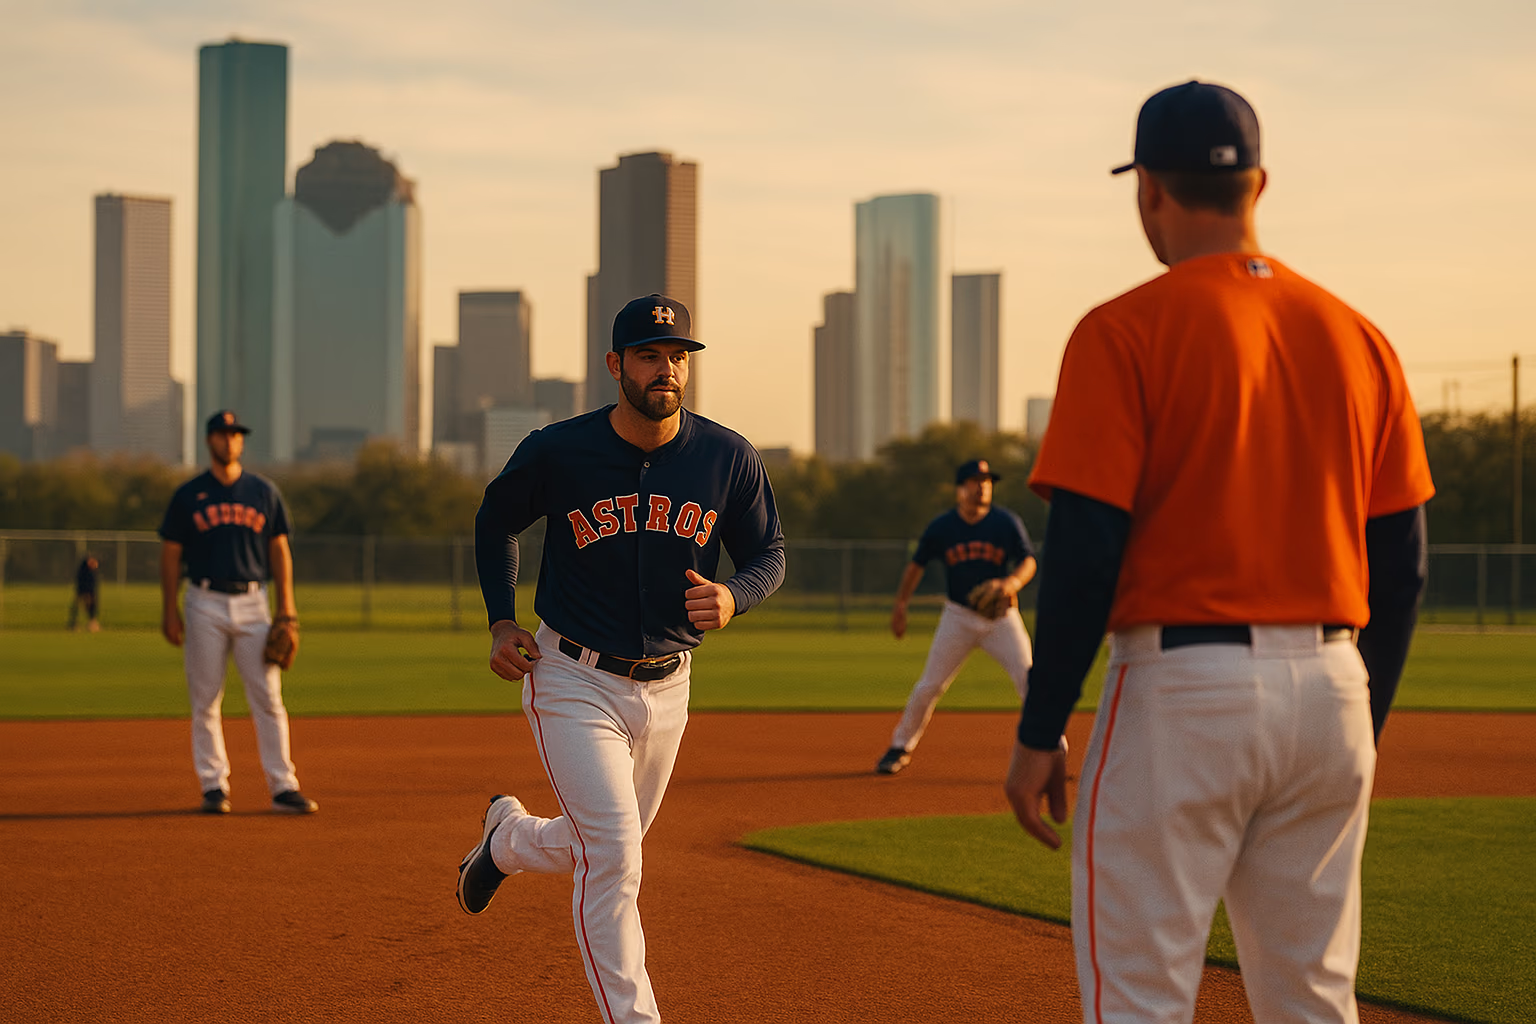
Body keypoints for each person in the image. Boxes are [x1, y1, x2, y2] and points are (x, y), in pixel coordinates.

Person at [1003, 80, 1433, 1023]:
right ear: (1259, 187)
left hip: (1183, 692)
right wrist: (1360, 716)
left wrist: (1041, 732)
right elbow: (1401, 565)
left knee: (1142, 1001)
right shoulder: (1361, 337)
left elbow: (1086, 552)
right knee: (1314, 999)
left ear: (1150, 189)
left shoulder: (1123, 328)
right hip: (1333, 687)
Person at [459, 293, 786, 1024]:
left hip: (671, 686)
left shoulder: (726, 456)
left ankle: (507, 840)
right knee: (615, 859)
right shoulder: (559, 449)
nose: (665, 368)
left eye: (677, 357)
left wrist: (736, 595)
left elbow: (768, 553)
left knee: (601, 845)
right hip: (572, 677)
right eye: (648, 355)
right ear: (616, 365)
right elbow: (495, 521)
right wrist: (500, 619)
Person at [158, 410, 318, 816]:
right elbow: (171, 554)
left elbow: (279, 550)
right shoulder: (188, 495)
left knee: (268, 697)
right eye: (223, 434)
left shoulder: (263, 492)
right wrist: (169, 609)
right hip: (203, 601)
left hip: (253, 602)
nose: (230, 440)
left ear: (241, 442)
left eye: (236, 434)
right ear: (210, 440)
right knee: (206, 699)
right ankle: (214, 786)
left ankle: (283, 786)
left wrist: (287, 608)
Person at [875, 458, 1037, 775]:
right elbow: (916, 565)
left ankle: (1052, 751)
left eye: (987, 481)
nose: (983, 487)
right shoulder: (943, 526)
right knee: (929, 686)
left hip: (1002, 618)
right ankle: (900, 747)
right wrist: (900, 605)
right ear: (960, 490)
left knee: (1030, 680)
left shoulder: (1006, 522)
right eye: (976, 482)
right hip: (958, 616)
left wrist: (1011, 583)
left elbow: (1028, 560)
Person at [68, 554, 100, 632]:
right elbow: (81, 582)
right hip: (82, 590)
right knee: (77, 606)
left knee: (91, 607)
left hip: (89, 591)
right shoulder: (83, 571)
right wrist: (86, 592)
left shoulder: (91, 572)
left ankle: (91, 623)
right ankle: (73, 624)